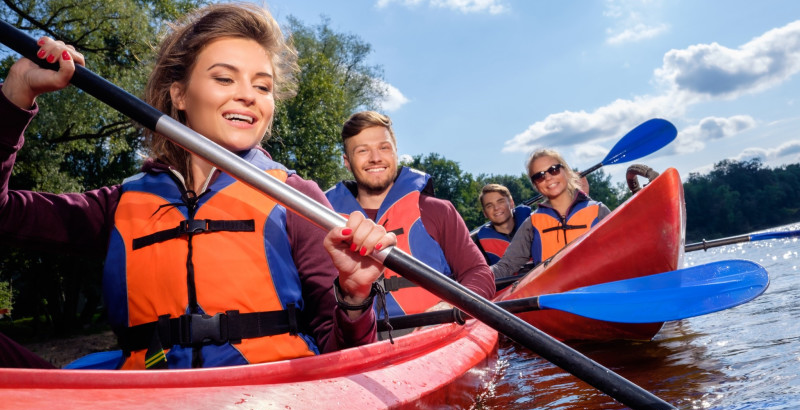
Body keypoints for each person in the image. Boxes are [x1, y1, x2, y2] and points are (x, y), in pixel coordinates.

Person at [0, 3, 396, 369]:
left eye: (263, 86)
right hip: (148, 400)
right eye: (224, 78)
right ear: (179, 95)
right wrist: (17, 93)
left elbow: (342, 357)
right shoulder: (122, 202)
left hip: (266, 401)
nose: (247, 95)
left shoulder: (297, 198)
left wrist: (354, 298)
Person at [325, 111, 495, 319]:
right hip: (361, 342)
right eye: (362, 151)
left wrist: (448, 311)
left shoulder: (438, 210)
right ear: (347, 162)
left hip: (439, 336)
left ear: (395, 153)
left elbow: (479, 274)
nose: (375, 158)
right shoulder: (326, 222)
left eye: (384, 147)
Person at [491, 149, 610, 279]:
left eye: (554, 169)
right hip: (552, 294)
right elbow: (506, 266)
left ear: (566, 172)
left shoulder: (598, 211)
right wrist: (478, 277)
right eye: (539, 176)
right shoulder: (532, 223)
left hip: (595, 289)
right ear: (536, 185)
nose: (548, 178)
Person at [472, 183, 532, 266]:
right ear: (485, 213)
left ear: (511, 203)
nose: (496, 208)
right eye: (489, 206)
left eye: (500, 202)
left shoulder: (535, 224)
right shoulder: (479, 248)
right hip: (509, 278)